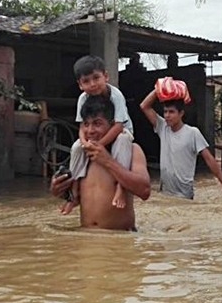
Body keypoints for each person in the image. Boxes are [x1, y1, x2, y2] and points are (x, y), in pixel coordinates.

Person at [50, 95, 150, 231]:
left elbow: (145, 191)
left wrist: (107, 160)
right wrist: (57, 190)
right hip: (86, 239)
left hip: (119, 241)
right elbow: (78, 198)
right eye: (86, 124)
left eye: (97, 124)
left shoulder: (132, 150)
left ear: (112, 124)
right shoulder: (82, 154)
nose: (90, 131)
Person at [140, 89, 222, 200]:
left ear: (181, 114)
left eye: (171, 112)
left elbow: (209, 160)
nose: (167, 115)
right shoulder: (163, 128)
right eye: (165, 112)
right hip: (165, 193)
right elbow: (144, 106)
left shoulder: (192, 133)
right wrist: (159, 89)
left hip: (184, 194)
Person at [68, 55, 134, 210]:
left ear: (106, 76)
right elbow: (82, 127)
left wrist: (99, 145)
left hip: (121, 131)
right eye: (86, 81)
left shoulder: (116, 95)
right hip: (95, 135)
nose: (92, 84)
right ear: (80, 84)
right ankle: (74, 189)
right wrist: (84, 143)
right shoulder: (82, 99)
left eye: (96, 78)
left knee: (123, 140)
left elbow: (118, 126)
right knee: (76, 148)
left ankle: (120, 187)